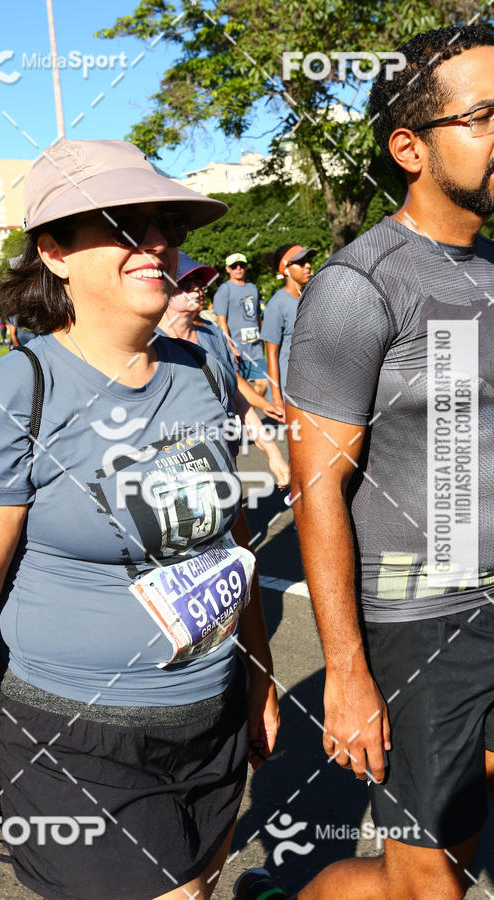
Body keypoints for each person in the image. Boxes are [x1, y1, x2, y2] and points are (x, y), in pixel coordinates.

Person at [0, 139, 279, 899]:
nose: (157, 242)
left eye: (166, 225)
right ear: (55, 253)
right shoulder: (5, 397)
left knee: (197, 888)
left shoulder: (201, 368)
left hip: (210, 718)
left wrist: (260, 676)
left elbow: (229, 542)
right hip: (76, 740)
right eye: (126, 225)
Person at [285, 24, 494, 899]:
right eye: (484, 116)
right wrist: (346, 673)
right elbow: (316, 488)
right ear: (410, 148)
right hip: (421, 623)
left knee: (463, 853)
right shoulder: (358, 286)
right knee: (425, 884)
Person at [158, 251, 289, 487]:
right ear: (165, 291)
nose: (197, 289)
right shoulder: (152, 344)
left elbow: (238, 399)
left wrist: (273, 453)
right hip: (182, 470)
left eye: (199, 283)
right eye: (186, 284)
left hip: (226, 456)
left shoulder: (213, 334)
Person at [260, 245, 315, 408]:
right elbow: (271, 354)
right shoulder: (276, 305)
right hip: (290, 392)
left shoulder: (311, 297)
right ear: (286, 269)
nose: (308, 266)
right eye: (301, 262)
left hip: (313, 388)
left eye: (308, 261)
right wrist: (277, 398)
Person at [213, 253, 268, 396]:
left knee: (263, 384)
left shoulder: (253, 288)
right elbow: (221, 321)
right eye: (234, 266)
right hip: (237, 350)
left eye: (242, 265)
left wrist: (263, 340)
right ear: (228, 269)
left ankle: (251, 411)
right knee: (240, 391)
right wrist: (230, 346)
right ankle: (245, 411)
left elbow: (258, 317)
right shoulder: (225, 289)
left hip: (256, 348)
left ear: (246, 267)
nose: (238, 268)